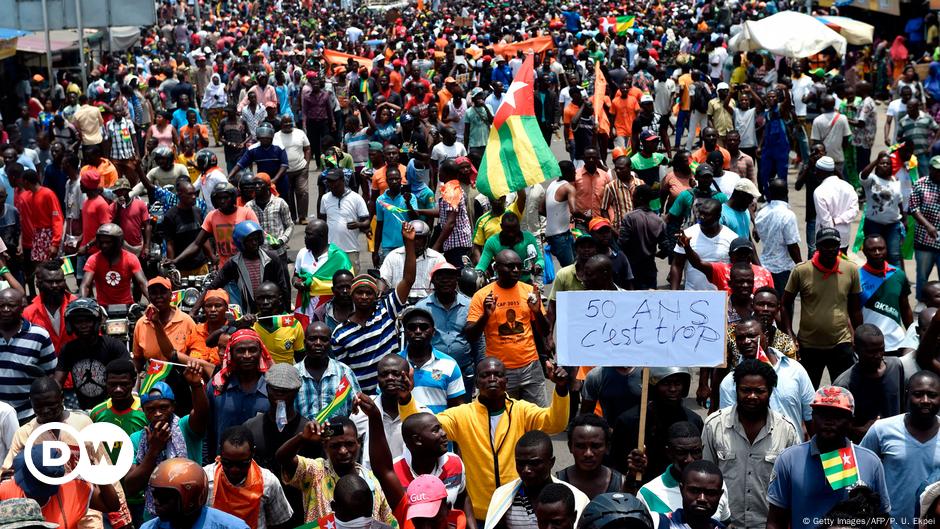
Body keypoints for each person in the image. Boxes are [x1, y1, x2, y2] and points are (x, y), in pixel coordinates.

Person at [396, 357, 568, 520]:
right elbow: (420, 429)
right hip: (479, 513)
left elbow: (555, 423)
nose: (492, 379)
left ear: (506, 382)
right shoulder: (462, 415)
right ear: (477, 383)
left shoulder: (522, 410)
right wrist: (405, 400)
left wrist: (560, 389)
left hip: (516, 507)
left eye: (498, 375)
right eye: (485, 375)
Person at [766, 386, 891, 529]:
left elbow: (883, 520)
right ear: (812, 417)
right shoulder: (789, 460)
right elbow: (775, 521)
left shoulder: (870, 462)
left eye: (837, 415)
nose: (829, 421)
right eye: (822, 414)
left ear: (850, 420)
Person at [703, 358, 801, 529]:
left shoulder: (787, 430)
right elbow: (704, 475)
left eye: (759, 391)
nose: (752, 396)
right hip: (723, 524)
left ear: (770, 391)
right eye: (745, 390)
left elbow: (793, 486)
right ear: (736, 390)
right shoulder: (714, 425)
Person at [332, 222, 416, 393]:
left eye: (368, 293)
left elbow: (408, 279)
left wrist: (409, 244)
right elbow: (343, 373)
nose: (364, 297)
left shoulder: (387, 310)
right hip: (363, 399)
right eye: (359, 293)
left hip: (393, 392)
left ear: (375, 295)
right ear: (352, 295)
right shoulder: (340, 334)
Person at [276, 417, 397, 526]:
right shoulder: (315, 471)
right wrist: (302, 438)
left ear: (358, 443)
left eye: (349, 444)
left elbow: (388, 523)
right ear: (325, 446)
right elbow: (282, 458)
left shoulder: (372, 482)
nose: (343, 451)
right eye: (335, 446)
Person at [782, 228, 863, 388]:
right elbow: (785, 303)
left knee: (844, 391)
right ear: (817, 246)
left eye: (834, 244)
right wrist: (789, 333)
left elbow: (855, 308)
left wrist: (858, 335)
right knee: (807, 392)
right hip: (809, 345)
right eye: (825, 245)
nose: (830, 249)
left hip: (841, 343)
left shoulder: (851, 269)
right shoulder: (801, 270)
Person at [467, 250, 550, 405]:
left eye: (519, 266)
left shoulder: (529, 291)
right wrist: (486, 315)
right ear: (496, 268)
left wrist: (537, 312)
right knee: (505, 421)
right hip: (499, 372)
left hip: (530, 367)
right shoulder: (482, 295)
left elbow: (545, 330)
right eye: (510, 266)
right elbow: (471, 335)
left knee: (538, 419)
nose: (516, 270)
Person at [861, 371, 940, 529]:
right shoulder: (881, 429)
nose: (925, 400)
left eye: (932, 395)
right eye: (918, 394)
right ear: (907, 395)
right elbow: (861, 470)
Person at [244, 363, 314, 528]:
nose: (279, 396)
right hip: (259, 509)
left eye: (285, 392)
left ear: (296, 392)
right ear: (267, 389)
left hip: (297, 510)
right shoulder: (251, 427)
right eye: (275, 390)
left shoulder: (308, 432)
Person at [718, 318, 815, 436]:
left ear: (766, 336)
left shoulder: (795, 370)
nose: (746, 341)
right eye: (740, 338)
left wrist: (817, 452)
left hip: (793, 450)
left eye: (752, 336)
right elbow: (729, 427)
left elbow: (811, 417)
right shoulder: (729, 383)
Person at [483, 431, 590, 529]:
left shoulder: (577, 499)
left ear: (551, 462)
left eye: (534, 463)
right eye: (521, 463)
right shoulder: (503, 496)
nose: (526, 470)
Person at [612, 368, 702, 482]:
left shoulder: (693, 421)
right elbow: (617, 465)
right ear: (653, 386)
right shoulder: (629, 421)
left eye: (677, 383)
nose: (673, 389)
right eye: (666, 383)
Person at [633, 421, 731, 524]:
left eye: (696, 452)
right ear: (669, 452)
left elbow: (725, 522)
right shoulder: (648, 493)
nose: (689, 459)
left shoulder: (715, 485)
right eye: (681, 452)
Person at [203, 426, 293, 529]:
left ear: (252, 453)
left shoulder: (268, 482)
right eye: (228, 463)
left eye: (242, 464)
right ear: (221, 452)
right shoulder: (204, 480)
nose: (234, 470)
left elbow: (280, 523)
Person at [415, 263, 482, 398]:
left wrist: (480, 371)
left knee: (463, 410)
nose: (446, 281)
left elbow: (479, 342)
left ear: (457, 279)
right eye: (441, 277)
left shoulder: (469, 305)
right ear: (433, 281)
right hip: (433, 371)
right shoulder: (422, 307)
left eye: (450, 277)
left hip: (464, 370)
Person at [206, 329, 274, 459]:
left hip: (262, 467)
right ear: (231, 353)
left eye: (252, 350)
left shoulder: (272, 387)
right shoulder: (217, 386)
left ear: (260, 352)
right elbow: (207, 431)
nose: (247, 355)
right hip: (223, 465)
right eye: (241, 350)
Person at [833, 325, 905, 443]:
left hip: (895, 441)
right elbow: (837, 424)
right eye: (871, 352)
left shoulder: (896, 367)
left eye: (881, 349)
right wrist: (863, 430)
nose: (878, 355)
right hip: (862, 446)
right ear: (855, 349)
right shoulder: (844, 385)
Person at [54, 298, 129, 410]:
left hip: (114, 408)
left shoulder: (113, 346)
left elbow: (131, 374)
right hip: (84, 409)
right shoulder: (68, 349)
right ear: (71, 325)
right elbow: (58, 382)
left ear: (96, 322)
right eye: (78, 322)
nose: (83, 325)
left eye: (87, 321)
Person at [201, 220, 290, 314]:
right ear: (241, 242)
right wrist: (194, 311)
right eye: (250, 240)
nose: (254, 243)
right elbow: (213, 286)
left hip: (273, 313)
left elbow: (283, 287)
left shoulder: (272, 258)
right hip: (248, 314)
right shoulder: (233, 263)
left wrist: (287, 312)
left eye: (256, 239)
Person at [142, 458, 249, 529]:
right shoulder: (149, 527)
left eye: (164, 497)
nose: (156, 502)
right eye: (154, 494)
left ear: (190, 498)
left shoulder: (232, 527)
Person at [0, 288, 56, 422]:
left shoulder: (39, 335)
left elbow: (51, 374)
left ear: (21, 308)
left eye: (11, 305)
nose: (6, 309)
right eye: (1, 306)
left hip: (28, 415)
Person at [399, 307, 465, 412]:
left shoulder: (449, 365)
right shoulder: (394, 364)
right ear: (404, 331)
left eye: (423, 327)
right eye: (412, 327)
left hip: (438, 427)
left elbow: (457, 409)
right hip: (402, 427)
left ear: (433, 332)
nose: (417, 331)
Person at [858, 234, 914, 354]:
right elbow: (851, 312)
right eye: (872, 249)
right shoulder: (857, 277)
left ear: (886, 249)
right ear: (864, 252)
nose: (877, 252)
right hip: (868, 345)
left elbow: (905, 308)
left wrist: (913, 335)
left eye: (881, 248)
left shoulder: (898, 275)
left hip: (896, 344)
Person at [296, 321, 361, 421]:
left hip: (338, 435)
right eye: (312, 339)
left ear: (330, 343)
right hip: (304, 435)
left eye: (324, 339)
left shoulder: (344, 372)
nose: (318, 343)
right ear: (304, 343)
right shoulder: (294, 374)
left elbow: (357, 410)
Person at [670, 198, 738, 291]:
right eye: (700, 213)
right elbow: (677, 265)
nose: (701, 217)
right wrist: (674, 293)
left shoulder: (732, 238)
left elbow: (737, 268)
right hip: (692, 295)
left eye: (707, 214)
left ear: (718, 216)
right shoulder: (687, 235)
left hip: (722, 296)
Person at [555, 414, 624, 499]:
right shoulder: (556, 483)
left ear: (607, 447)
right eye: (581, 446)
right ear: (570, 447)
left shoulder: (621, 485)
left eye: (595, 446)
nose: (588, 454)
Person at [80, 223, 148, 306]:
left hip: (127, 305)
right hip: (103, 307)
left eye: (108, 242)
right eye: (102, 242)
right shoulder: (94, 259)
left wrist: (153, 303)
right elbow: (85, 285)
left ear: (118, 242)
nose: (104, 245)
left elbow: (143, 283)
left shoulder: (131, 258)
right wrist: (81, 304)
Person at [859, 153, 907, 267]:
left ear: (891, 166)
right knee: (874, 256)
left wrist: (905, 220)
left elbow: (900, 201)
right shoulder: (872, 179)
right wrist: (876, 159)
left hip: (893, 225)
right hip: (873, 224)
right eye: (882, 163)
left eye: (887, 163)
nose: (885, 165)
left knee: (894, 255)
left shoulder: (896, 182)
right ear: (877, 165)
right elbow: (863, 175)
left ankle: (896, 281)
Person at [755, 179, 802, 294]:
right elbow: (792, 246)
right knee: (784, 305)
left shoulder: (762, 213)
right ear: (786, 192)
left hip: (764, 266)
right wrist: (801, 266)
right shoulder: (788, 215)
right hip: (783, 269)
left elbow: (756, 237)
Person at [619, 185, 668, 290]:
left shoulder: (629, 217)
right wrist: (656, 254)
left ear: (639, 198)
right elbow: (665, 248)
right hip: (650, 268)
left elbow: (622, 243)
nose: (632, 199)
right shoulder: (659, 221)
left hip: (631, 268)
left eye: (634, 196)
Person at [382, 220, 446, 300]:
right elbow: (384, 279)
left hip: (429, 304)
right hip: (400, 303)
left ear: (427, 239)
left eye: (420, 239)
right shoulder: (393, 256)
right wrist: (380, 289)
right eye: (414, 238)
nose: (416, 242)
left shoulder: (437, 259)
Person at [653, 460, 726, 529]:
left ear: (720, 495)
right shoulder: (659, 523)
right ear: (682, 490)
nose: (702, 499)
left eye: (710, 493)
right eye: (694, 491)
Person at [22, 260, 75, 352]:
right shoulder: (29, 313)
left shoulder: (77, 307)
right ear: (38, 284)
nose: (54, 285)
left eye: (58, 281)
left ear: (64, 282)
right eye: (50, 282)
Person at [319, 168, 369, 264]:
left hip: (351, 249)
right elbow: (322, 222)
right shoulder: (325, 198)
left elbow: (366, 221)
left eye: (333, 181)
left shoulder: (356, 198)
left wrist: (358, 224)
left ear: (342, 180)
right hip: (331, 249)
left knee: (350, 277)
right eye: (328, 181)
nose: (331, 184)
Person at [159, 180, 209, 277]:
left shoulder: (197, 212)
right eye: (190, 194)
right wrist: (172, 264)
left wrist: (211, 256)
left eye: (195, 194)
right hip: (182, 268)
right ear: (180, 195)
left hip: (201, 266)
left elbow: (203, 237)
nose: (194, 197)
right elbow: (170, 243)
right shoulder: (170, 216)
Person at [90, 358, 148, 436]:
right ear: (105, 383)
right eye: (113, 384)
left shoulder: (146, 411)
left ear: (133, 382)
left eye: (124, 384)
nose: (118, 389)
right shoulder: (96, 413)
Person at [910, 156, 940, 303]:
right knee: (922, 275)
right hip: (924, 240)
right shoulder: (920, 184)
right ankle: (922, 302)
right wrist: (927, 225)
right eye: (937, 171)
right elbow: (913, 208)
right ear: (930, 170)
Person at [813, 156, 859, 252]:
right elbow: (854, 211)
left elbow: (825, 221)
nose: (815, 173)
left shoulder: (819, 191)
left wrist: (834, 222)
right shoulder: (848, 187)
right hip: (844, 238)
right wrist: (838, 220)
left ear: (822, 172)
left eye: (816, 170)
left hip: (825, 240)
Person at [245, 173, 292, 262]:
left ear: (268, 186)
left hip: (279, 252)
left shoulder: (280, 203)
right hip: (259, 253)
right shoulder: (248, 207)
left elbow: (289, 226)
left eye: (260, 184)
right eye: (255, 184)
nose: (257, 186)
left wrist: (282, 241)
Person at [273, 115, 311, 222]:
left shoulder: (300, 133)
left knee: (302, 192)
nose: (288, 125)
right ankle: (291, 217)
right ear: (281, 125)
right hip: (284, 171)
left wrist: (307, 164)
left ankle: (302, 216)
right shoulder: (276, 136)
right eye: (285, 123)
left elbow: (307, 148)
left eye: (290, 122)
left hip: (301, 168)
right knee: (287, 194)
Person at [544, 160, 577, 268]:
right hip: (561, 236)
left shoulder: (551, 185)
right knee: (570, 270)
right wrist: (586, 216)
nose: (575, 173)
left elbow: (541, 209)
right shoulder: (568, 187)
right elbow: (574, 210)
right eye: (573, 171)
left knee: (576, 265)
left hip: (556, 235)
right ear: (567, 173)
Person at [811, 96, 853, 174]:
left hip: (822, 160)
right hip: (838, 157)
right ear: (834, 104)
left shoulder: (817, 120)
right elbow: (846, 139)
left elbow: (816, 142)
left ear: (822, 105)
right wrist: (841, 151)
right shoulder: (842, 118)